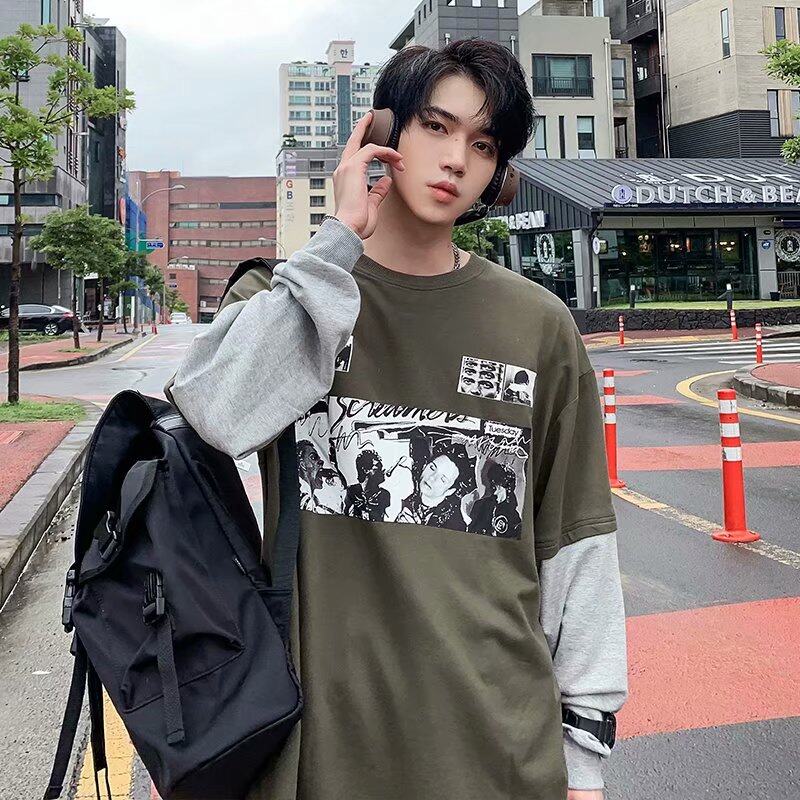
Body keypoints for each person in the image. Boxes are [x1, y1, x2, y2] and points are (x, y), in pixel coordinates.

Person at [166, 39, 627, 800]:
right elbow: (215, 410)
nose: (456, 160)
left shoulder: (537, 326)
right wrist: (338, 240)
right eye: (436, 126)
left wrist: (584, 760)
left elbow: (576, 539)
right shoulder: (297, 301)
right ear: (385, 132)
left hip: (499, 745)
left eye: (483, 144)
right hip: (321, 751)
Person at [343, 448, 391, 521]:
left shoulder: (384, 494)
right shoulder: (351, 491)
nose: (382, 471)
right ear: (365, 470)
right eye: (378, 468)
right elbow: (344, 514)